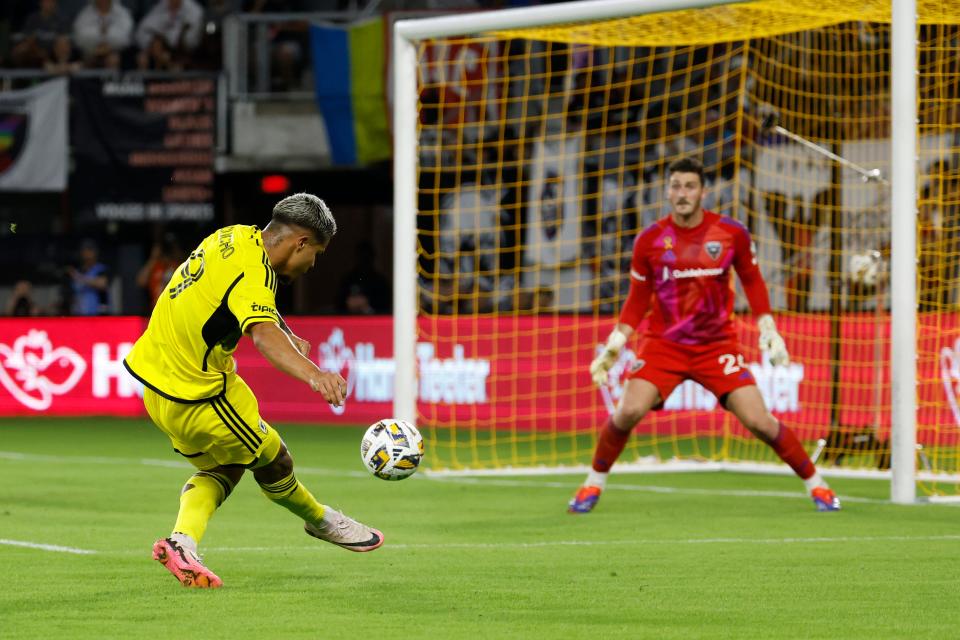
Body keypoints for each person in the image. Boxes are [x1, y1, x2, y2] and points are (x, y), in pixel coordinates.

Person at [123, 193, 383, 589]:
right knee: (276, 462)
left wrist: (287, 331)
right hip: (202, 395)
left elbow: (242, 299)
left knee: (224, 468)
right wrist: (315, 375)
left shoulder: (232, 238)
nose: (313, 264)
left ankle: (184, 542)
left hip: (156, 385)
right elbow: (261, 335)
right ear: (300, 242)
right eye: (316, 253)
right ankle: (323, 521)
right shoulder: (255, 274)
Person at [569, 157, 841, 514]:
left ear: (703, 192)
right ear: (668, 191)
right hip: (664, 344)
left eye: (689, 186)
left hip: (716, 346)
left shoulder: (730, 233)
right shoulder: (650, 240)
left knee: (759, 420)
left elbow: (752, 280)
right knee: (628, 411)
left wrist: (768, 327)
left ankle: (818, 487)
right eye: (676, 186)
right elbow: (637, 301)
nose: (682, 194)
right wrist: (616, 343)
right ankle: (592, 484)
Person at [72, 0, 133, 69]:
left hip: (117, 51)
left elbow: (124, 37)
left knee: (113, 59)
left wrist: (106, 42)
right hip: (91, 50)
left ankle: (112, 79)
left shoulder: (122, 13)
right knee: (87, 60)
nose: (103, 1)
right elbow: (80, 36)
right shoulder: (85, 14)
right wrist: (101, 35)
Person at [136, 232, 184, 308]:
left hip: (174, 309)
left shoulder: (178, 266)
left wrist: (176, 251)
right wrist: (153, 258)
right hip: (156, 310)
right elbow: (141, 281)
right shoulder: (155, 266)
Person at [68, 239, 110, 315]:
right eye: (85, 250)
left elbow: (102, 283)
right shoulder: (78, 271)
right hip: (78, 313)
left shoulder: (100, 269)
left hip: (96, 313)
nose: (87, 253)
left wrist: (80, 277)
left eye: (90, 250)